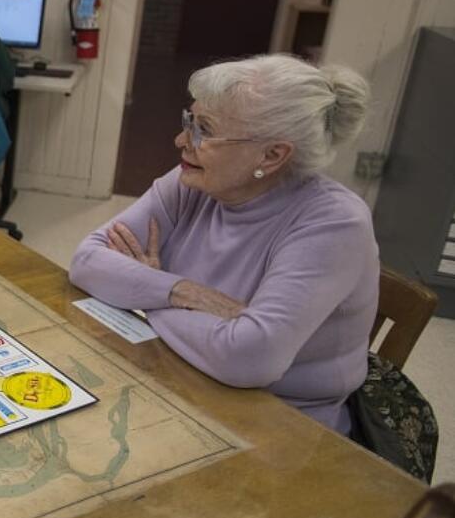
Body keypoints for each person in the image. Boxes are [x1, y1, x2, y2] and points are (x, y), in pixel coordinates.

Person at [69, 54, 376, 435]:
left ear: (272, 155)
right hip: (178, 374)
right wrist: (182, 291)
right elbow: (86, 261)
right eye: (189, 122)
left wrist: (144, 296)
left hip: (281, 423)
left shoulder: (334, 224)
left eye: (204, 130)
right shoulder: (192, 181)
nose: (181, 140)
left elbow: (249, 358)